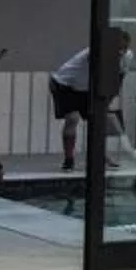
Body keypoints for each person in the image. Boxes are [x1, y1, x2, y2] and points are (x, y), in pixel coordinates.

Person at [52, 28, 125, 171]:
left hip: (86, 87)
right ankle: (69, 159)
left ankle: (101, 156)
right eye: (118, 49)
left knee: (98, 120)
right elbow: (98, 73)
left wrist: (108, 99)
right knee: (72, 119)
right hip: (65, 84)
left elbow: (119, 78)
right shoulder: (94, 54)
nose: (120, 53)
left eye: (123, 49)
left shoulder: (126, 56)